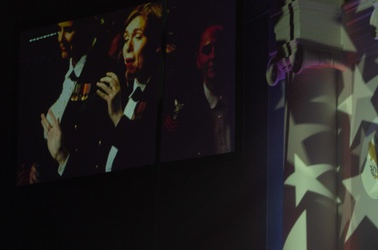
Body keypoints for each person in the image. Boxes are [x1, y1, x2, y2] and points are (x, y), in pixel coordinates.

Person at [35, 17, 111, 181]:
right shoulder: (57, 66)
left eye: (68, 30)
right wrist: (36, 165)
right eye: (59, 30)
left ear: (86, 30)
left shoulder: (101, 71)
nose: (60, 38)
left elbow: (89, 147)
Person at [97, 3, 164, 172]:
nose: (128, 46)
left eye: (138, 36)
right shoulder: (122, 93)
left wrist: (118, 116)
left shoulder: (162, 94)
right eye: (126, 38)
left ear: (156, 45)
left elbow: (145, 156)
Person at [162, 23, 234, 160]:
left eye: (219, 48)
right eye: (207, 50)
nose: (213, 55)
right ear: (198, 60)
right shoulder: (186, 112)